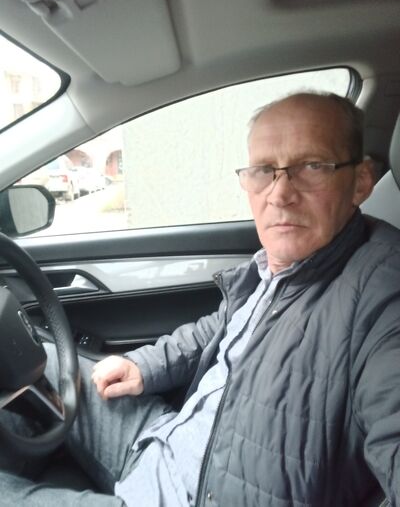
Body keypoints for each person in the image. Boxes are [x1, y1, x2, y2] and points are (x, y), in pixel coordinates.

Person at [1, 92, 400, 506]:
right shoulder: (276, 267)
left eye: (312, 166)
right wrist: (144, 366)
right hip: (164, 438)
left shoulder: (383, 295)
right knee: (40, 362)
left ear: (361, 182)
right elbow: (218, 328)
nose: (280, 194)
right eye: (264, 170)